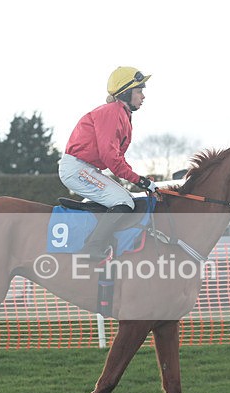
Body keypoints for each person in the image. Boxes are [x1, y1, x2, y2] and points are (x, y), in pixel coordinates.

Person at [58, 66, 158, 259]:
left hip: (85, 167)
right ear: (126, 93)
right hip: (77, 168)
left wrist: (138, 179)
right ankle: (92, 247)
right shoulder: (112, 112)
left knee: (126, 199)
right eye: (139, 91)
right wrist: (139, 180)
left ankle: (102, 242)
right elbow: (110, 157)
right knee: (123, 201)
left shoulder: (121, 114)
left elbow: (116, 157)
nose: (143, 96)